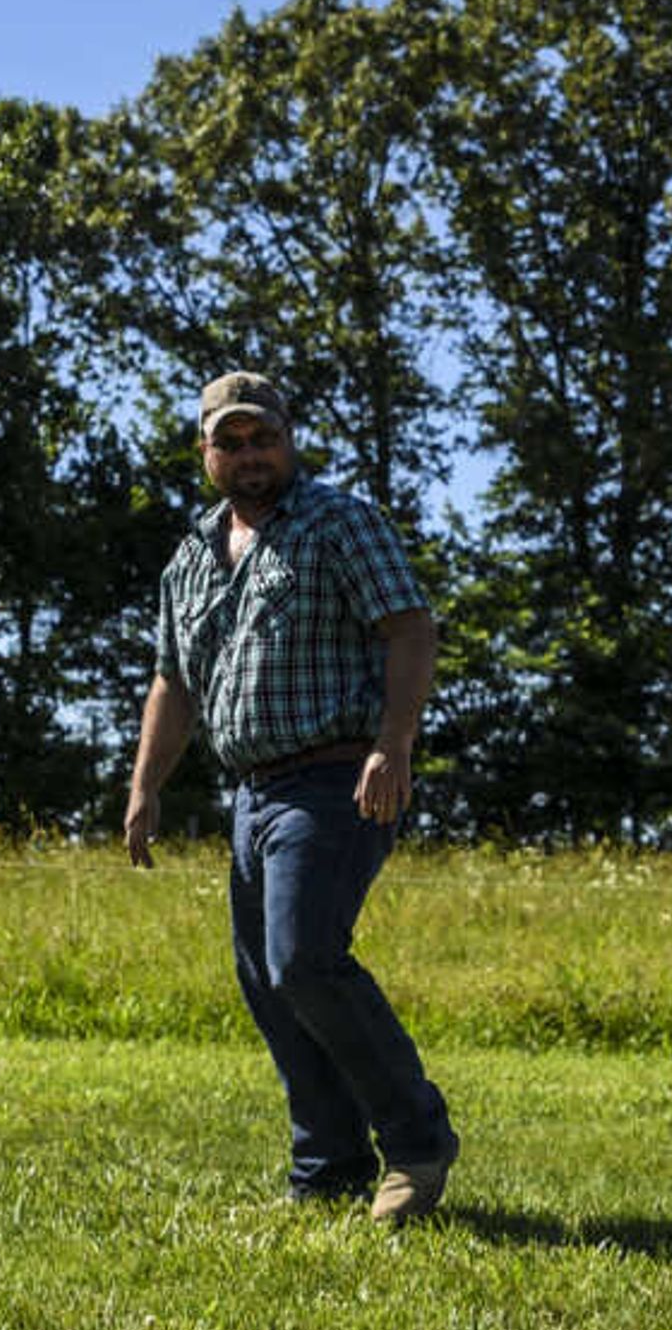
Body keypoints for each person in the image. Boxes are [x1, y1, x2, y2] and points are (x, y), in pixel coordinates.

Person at [123, 371, 457, 1226]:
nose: (247, 455)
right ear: (205, 453)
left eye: (260, 437)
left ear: (288, 437)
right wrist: (145, 787)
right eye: (229, 442)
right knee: (271, 985)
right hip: (252, 793)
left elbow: (409, 626)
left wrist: (394, 745)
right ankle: (327, 1169)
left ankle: (415, 1143)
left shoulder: (339, 522)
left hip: (337, 777)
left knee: (304, 958)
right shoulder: (192, 555)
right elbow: (173, 682)